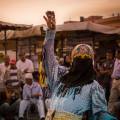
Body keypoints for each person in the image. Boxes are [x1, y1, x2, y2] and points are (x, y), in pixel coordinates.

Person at [43, 11, 117, 120]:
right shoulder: (60, 79)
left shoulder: (94, 87)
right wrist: (51, 32)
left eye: (84, 61)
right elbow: (48, 59)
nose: (81, 65)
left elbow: (100, 115)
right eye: (78, 60)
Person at [108, 49, 120, 119]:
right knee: (112, 98)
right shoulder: (116, 60)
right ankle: (110, 115)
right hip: (114, 80)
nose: (115, 55)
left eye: (116, 53)